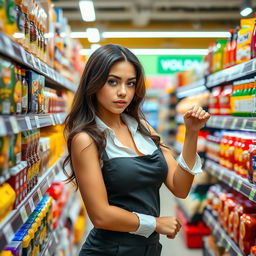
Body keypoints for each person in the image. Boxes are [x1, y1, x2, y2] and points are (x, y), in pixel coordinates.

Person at [63, 44, 210, 256]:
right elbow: (100, 215)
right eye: (112, 82)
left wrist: (192, 133)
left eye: (130, 83)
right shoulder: (86, 140)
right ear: (94, 83)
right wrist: (155, 223)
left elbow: (180, 187)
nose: (123, 92)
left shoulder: (143, 128)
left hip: (148, 250)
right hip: (109, 251)